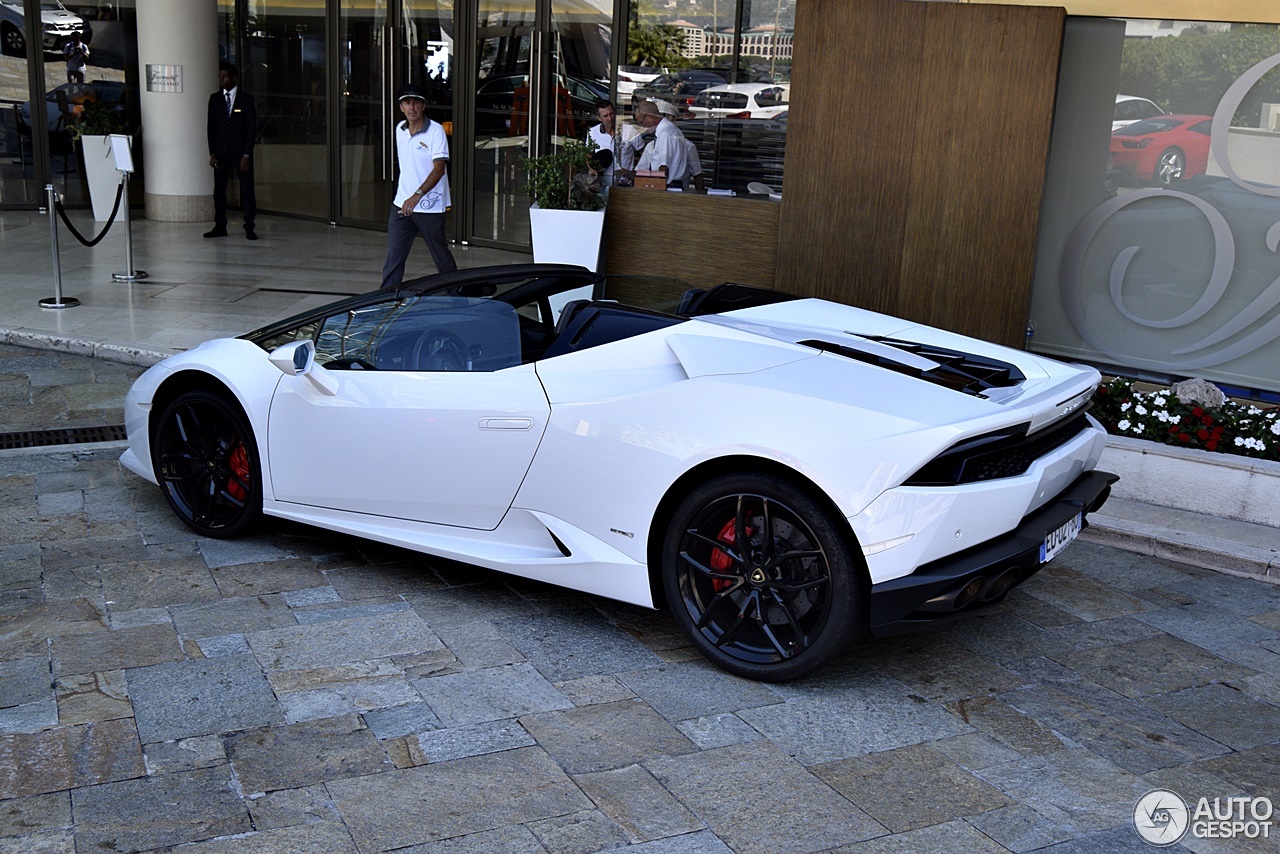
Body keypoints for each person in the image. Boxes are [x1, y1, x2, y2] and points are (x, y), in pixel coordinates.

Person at [381, 83, 457, 288]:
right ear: (401, 107)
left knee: (441, 256)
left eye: (416, 102)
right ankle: (385, 301)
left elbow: (439, 169)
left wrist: (417, 195)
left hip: (429, 206)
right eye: (407, 102)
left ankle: (458, 295)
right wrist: (408, 197)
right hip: (402, 205)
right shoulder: (400, 130)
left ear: (423, 106)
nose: (411, 107)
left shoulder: (436, 131)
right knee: (394, 258)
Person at [205, 62, 257, 239]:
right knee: (219, 191)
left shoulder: (246, 100)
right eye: (220, 76)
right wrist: (212, 152)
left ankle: (249, 226)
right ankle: (220, 226)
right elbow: (211, 128)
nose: (221, 79)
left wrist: (246, 154)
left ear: (234, 78)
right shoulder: (215, 99)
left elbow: (251, 129)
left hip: (240, 153)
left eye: (225, 76)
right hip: (221, 153)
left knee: (247, 190)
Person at [630, 99, 689, 190]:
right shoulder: (672, 129)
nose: (642, 126)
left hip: (669, 187)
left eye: (641, 122)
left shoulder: (665, 132)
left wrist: (655, 190)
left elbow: (663, 168)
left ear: (650, 116)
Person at [586, 99, 639, 191]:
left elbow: (642, 152)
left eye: (611, 114)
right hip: (602, 181)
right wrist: (591, 168)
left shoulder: (629, 130)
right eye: (605, 116)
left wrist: (634, 172)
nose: (610, 118)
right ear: (599, 118)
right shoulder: (592, 132)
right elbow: (588, 153)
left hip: (626, 182)